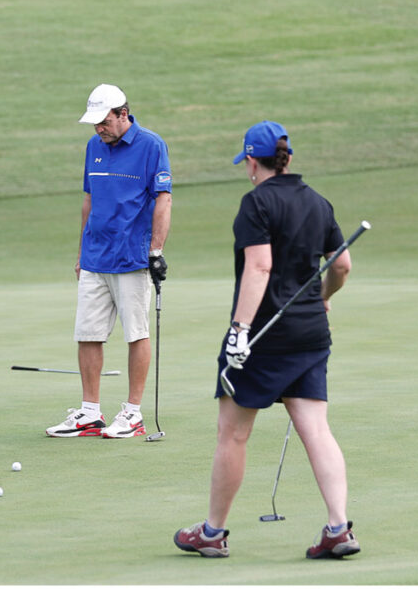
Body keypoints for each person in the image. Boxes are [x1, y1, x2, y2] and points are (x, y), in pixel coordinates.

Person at [173, 121, 360, 559]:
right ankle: (338, 527)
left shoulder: (255, 204)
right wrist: (323, 298)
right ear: (288, 159)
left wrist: (239, 331)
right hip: (311, 333)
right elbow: (343, 265)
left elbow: (258, 267)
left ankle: (213, 533)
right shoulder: (318, 202)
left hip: (261, 338)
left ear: (252, 162)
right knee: (316, 429)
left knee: (233, 435)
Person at [46, 84, 172, 439]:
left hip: (132, 256)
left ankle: (132, 413)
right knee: (88, 334)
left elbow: (163, 201)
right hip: (95, 257)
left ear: (122, 114)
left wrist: (156, 251)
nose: (99, 129)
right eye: (95, 123)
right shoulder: (94, 147)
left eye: (104, 121)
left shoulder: (151, 145)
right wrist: (81, 253)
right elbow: (89, 200)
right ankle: (89, 412)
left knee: (136, 333)